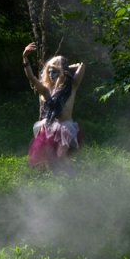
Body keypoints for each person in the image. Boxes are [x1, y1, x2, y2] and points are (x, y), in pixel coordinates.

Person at [22, 42, 85, 171]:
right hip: (49, 126)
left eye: (54, 72)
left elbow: (82, 65)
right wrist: (25, 58)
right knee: (48, 160)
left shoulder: (72, 86)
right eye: (49, 72)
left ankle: (74, 177)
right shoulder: (46, 91)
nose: (51, 75)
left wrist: (67, 67)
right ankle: (55, 180)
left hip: (66, 127)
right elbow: (32, 78)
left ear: (61, 72)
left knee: (61, 156)